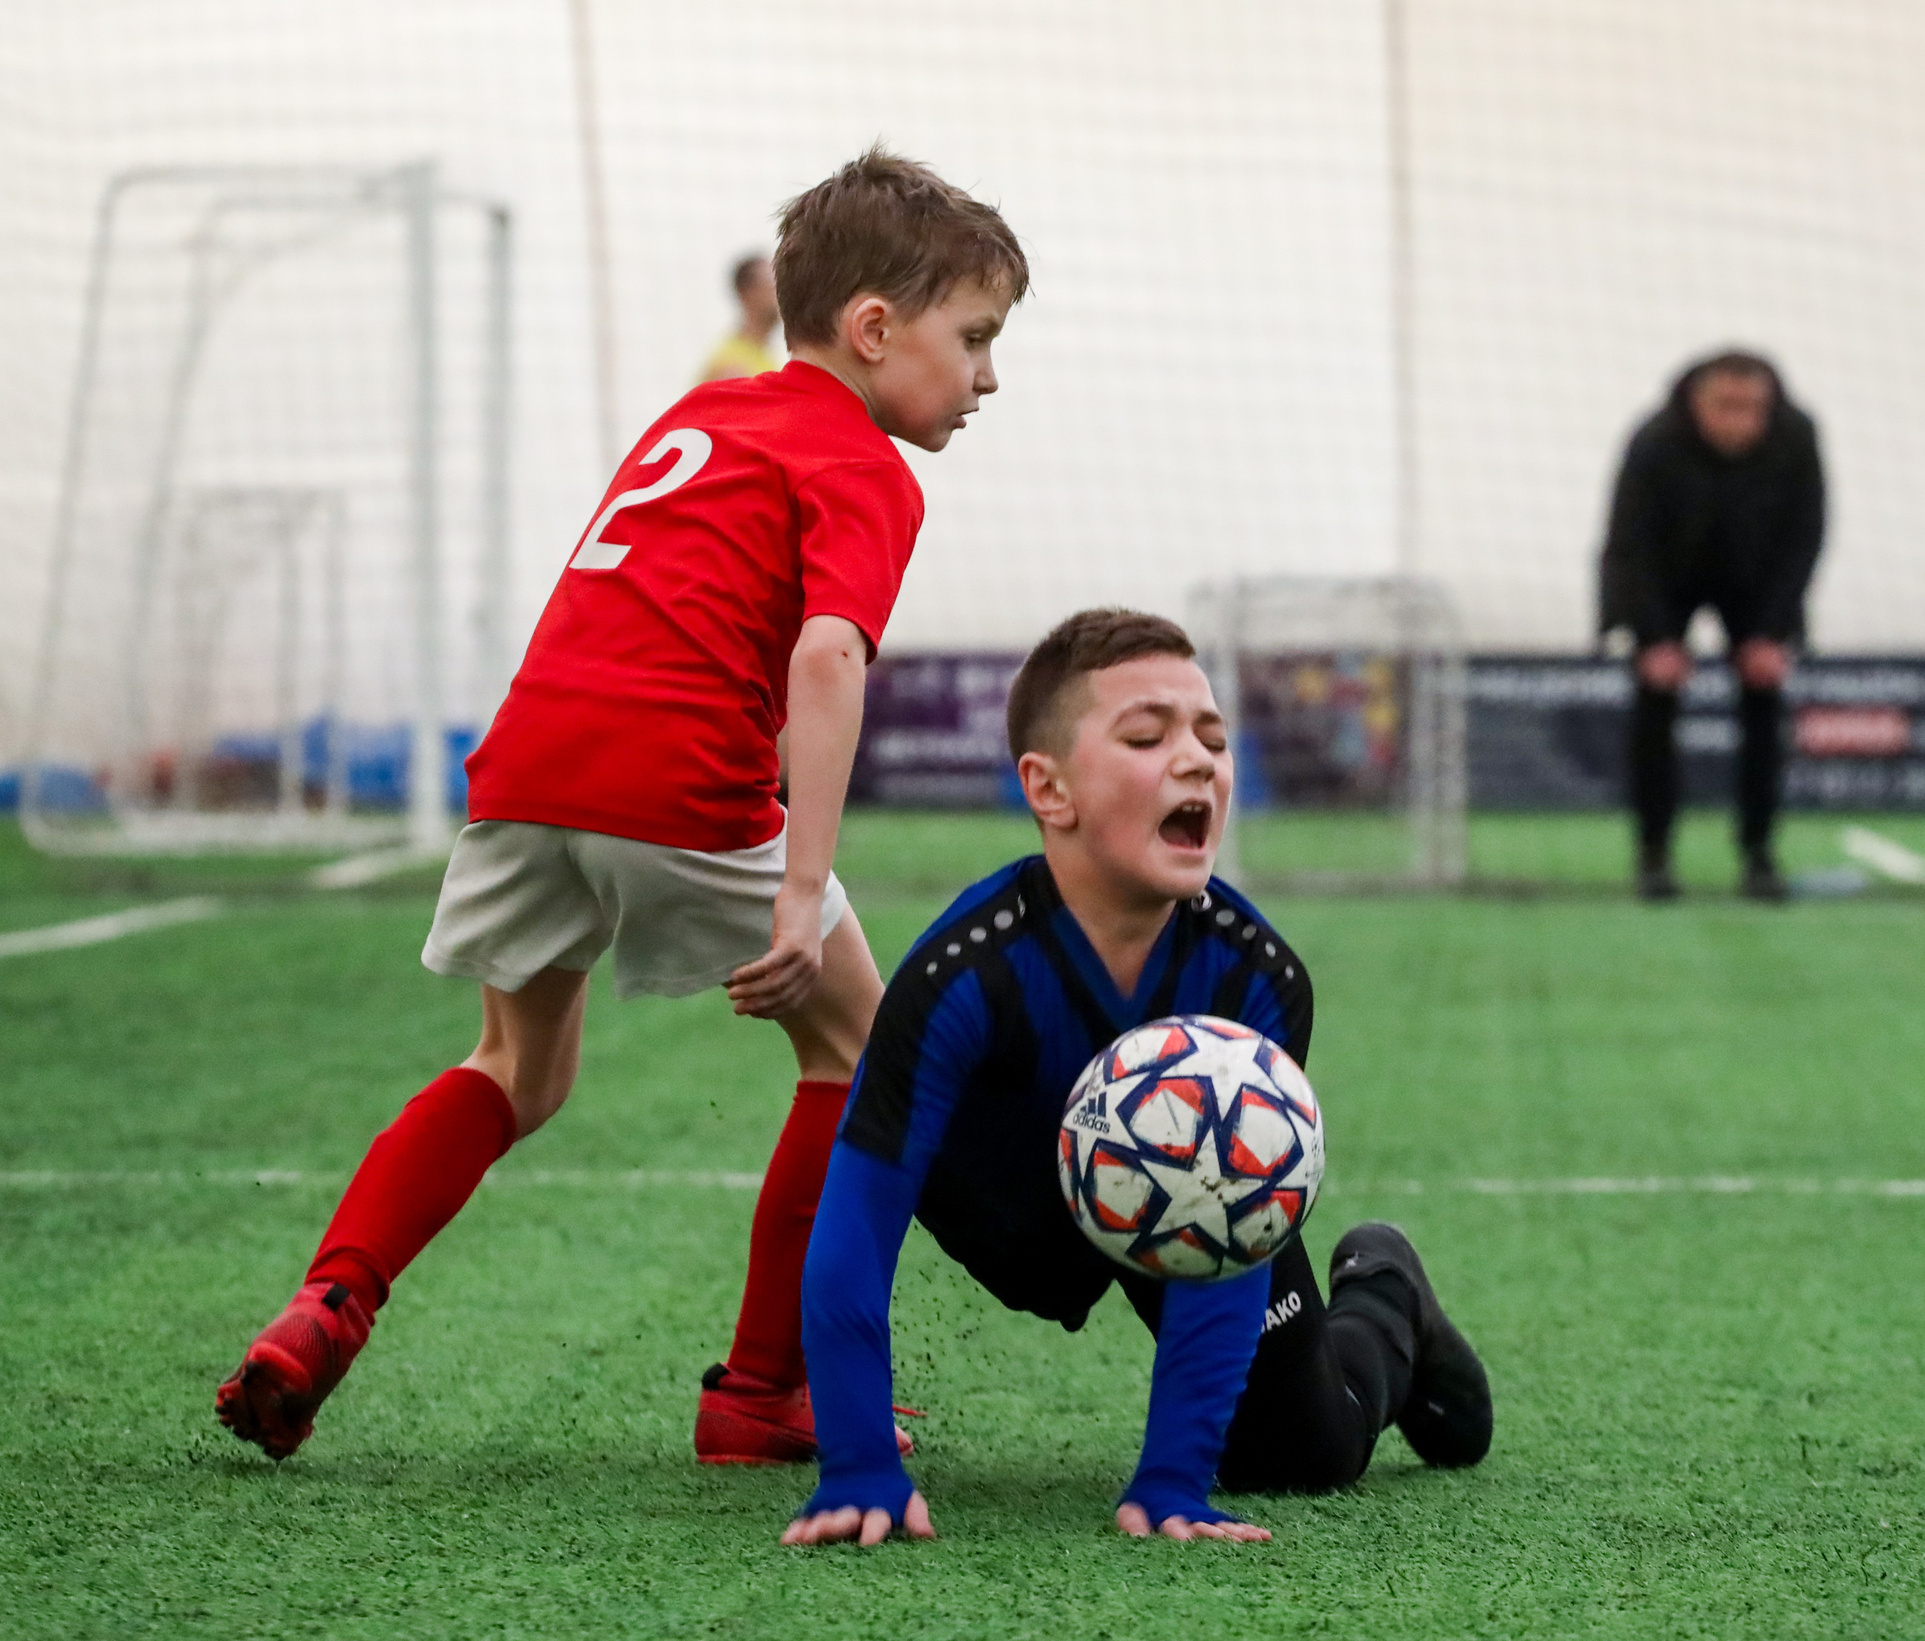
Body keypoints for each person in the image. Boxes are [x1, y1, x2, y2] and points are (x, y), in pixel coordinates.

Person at [213, 147, 1028, 1468]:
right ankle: (760, 1392)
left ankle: (330, 1301)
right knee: (861, 1050)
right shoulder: (874, 472)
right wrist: (803, 883)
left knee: (517, 1070)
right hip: (675, 777)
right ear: (876, 328)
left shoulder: (694, 418)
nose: (989, 377)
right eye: (977, 339)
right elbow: (826, 658)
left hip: (529, 762)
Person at [784, 608, 1494, 1549]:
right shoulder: (962, 975)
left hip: (1175, 1215)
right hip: (1001, 1210)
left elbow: (1224, 1231)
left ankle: (1387, 1290)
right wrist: (862, 1462)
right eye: (1147, 735)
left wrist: (1172, 1481)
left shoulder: (1257, 980)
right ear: (1050, 789)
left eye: (1212, 736)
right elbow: (856, 1233)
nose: (1198, 758)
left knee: (1300, 1454)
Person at [1598, 350, 1826, 902]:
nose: (1740, 421)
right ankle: (1653, 857)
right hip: (1667, 576)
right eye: (1726, 407)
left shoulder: (1796, 438)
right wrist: (1652, 639)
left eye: (1753, 408)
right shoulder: (1653, 442)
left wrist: (1772, 633)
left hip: (1756, 576)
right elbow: (1629, 545)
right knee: (1654, 704)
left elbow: (1804, 537)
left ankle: (1759, 855)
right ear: (1696, 405)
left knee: (1764, 703)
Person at [701, 254, 783, 382]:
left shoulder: (765, 354)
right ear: (746, 293)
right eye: (771, 285)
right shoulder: (731, 367)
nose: (780, 296)